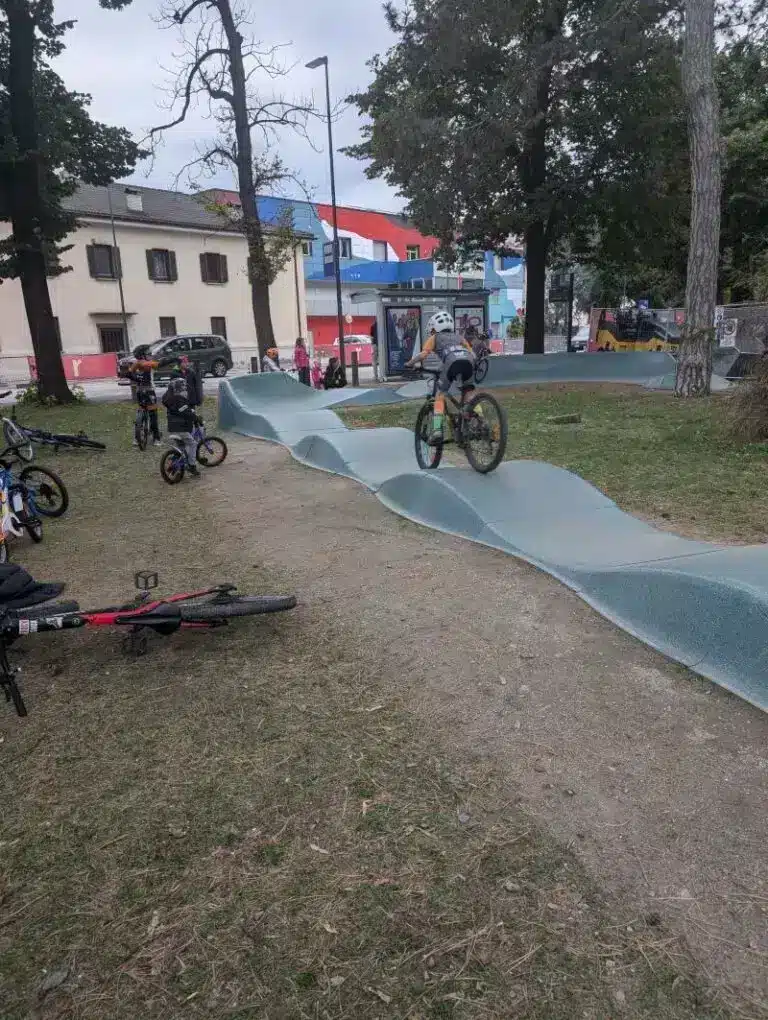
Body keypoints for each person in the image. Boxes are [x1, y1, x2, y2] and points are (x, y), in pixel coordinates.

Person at [406, 310, 475, 440]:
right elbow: (472, 354)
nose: (432, 332)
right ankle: (479, 420)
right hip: (468, 361)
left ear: (436, 327)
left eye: (432, 329)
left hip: (451, 363)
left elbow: (423, 355)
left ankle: (437, 430)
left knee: (440, 395)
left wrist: (409, 363)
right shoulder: (460, 337)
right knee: (468, 393)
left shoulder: (434, 338)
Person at [128, 345, 176, 447]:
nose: (151, 355)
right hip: (149, 391)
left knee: (142, 411)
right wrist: (173, 359)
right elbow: (160, 364)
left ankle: (136, 439)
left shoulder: (136, 364)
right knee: (153, 415)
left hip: (139, 392)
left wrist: (137, 379)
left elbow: (128, 373)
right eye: (148, 353)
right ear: (142, 355)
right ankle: (156, 439)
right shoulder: (146, 363)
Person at [161, 368, 200, 477]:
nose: (185, 389)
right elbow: (186, 412)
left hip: (172, 427)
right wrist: (196, 417)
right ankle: (192, 466)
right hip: (181, 428)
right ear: (179, 388)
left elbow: (179, 411)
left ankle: (176, 463)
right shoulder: (179, 399)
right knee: (193, 444)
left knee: (182, 447)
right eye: (183, 387)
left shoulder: (168, 398)